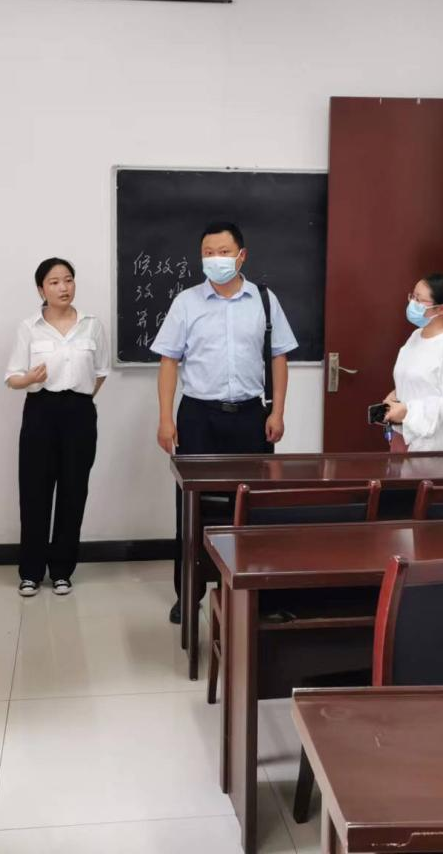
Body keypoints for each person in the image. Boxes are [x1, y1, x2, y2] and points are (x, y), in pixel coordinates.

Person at [152, 221, 298, 624]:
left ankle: (253, 589)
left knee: (252, 506)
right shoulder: (186, 302)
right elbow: (168, 362)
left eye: (223, 252)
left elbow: (279, 357)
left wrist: (278, 411)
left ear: (241, 256)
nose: (215, 259)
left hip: (250, 416)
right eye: (208, 253)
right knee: (192, 509)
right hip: (198, 416)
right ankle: (189, 594)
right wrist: (165, 418)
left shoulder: (264, 300)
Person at [5, 257, 109, 598]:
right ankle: (30, 572)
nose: (63, 287)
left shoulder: (92, 325)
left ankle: (62, 571)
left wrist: (77, 398)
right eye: (54, 282)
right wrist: (29, 379)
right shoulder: (29, 327)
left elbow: (100, 372)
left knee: (73, 491)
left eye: (68, 280)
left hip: (80, 413)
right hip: (40, 411)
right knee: (34, 491)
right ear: (41, 290)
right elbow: (12, 377)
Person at [383, 272, 443, 452]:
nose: (412, 304)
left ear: (442, 309)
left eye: (419, 300)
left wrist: (409, 411)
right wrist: (395, 395)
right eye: (412, 297)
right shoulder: (416, 335)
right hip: (404, 434)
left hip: (436, 442)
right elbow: (420, 381)